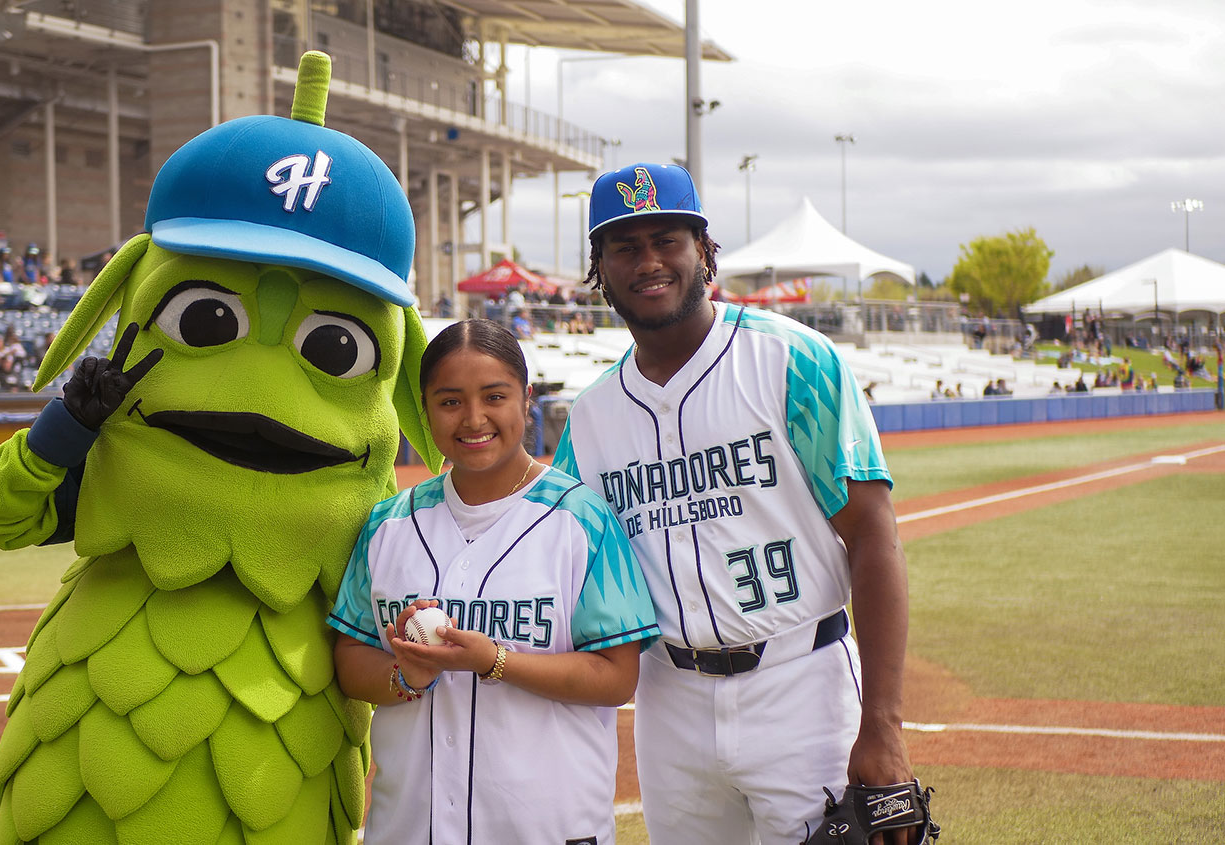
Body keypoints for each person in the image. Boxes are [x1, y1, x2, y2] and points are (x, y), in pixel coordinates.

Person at [554, 162, 916, 845]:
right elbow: (560, 566)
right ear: (599, 267)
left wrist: (883, 727)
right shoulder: (592, 417)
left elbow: (873, 535)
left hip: (801, 682)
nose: (649, 262)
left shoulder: (793, 360)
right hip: (670, 699)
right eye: (625, 247)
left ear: (704, 250)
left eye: (667, 240)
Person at [329, 319, 659, 845]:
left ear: (526, 400)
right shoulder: (389, 523)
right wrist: (404, 674)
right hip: (411, 826)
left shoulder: (582, 519)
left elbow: (617, 677)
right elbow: (350, 657)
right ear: (425, 408)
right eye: (450, 401)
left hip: (545, 826)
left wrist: (494, 660)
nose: (474, 418)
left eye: (494, 396)